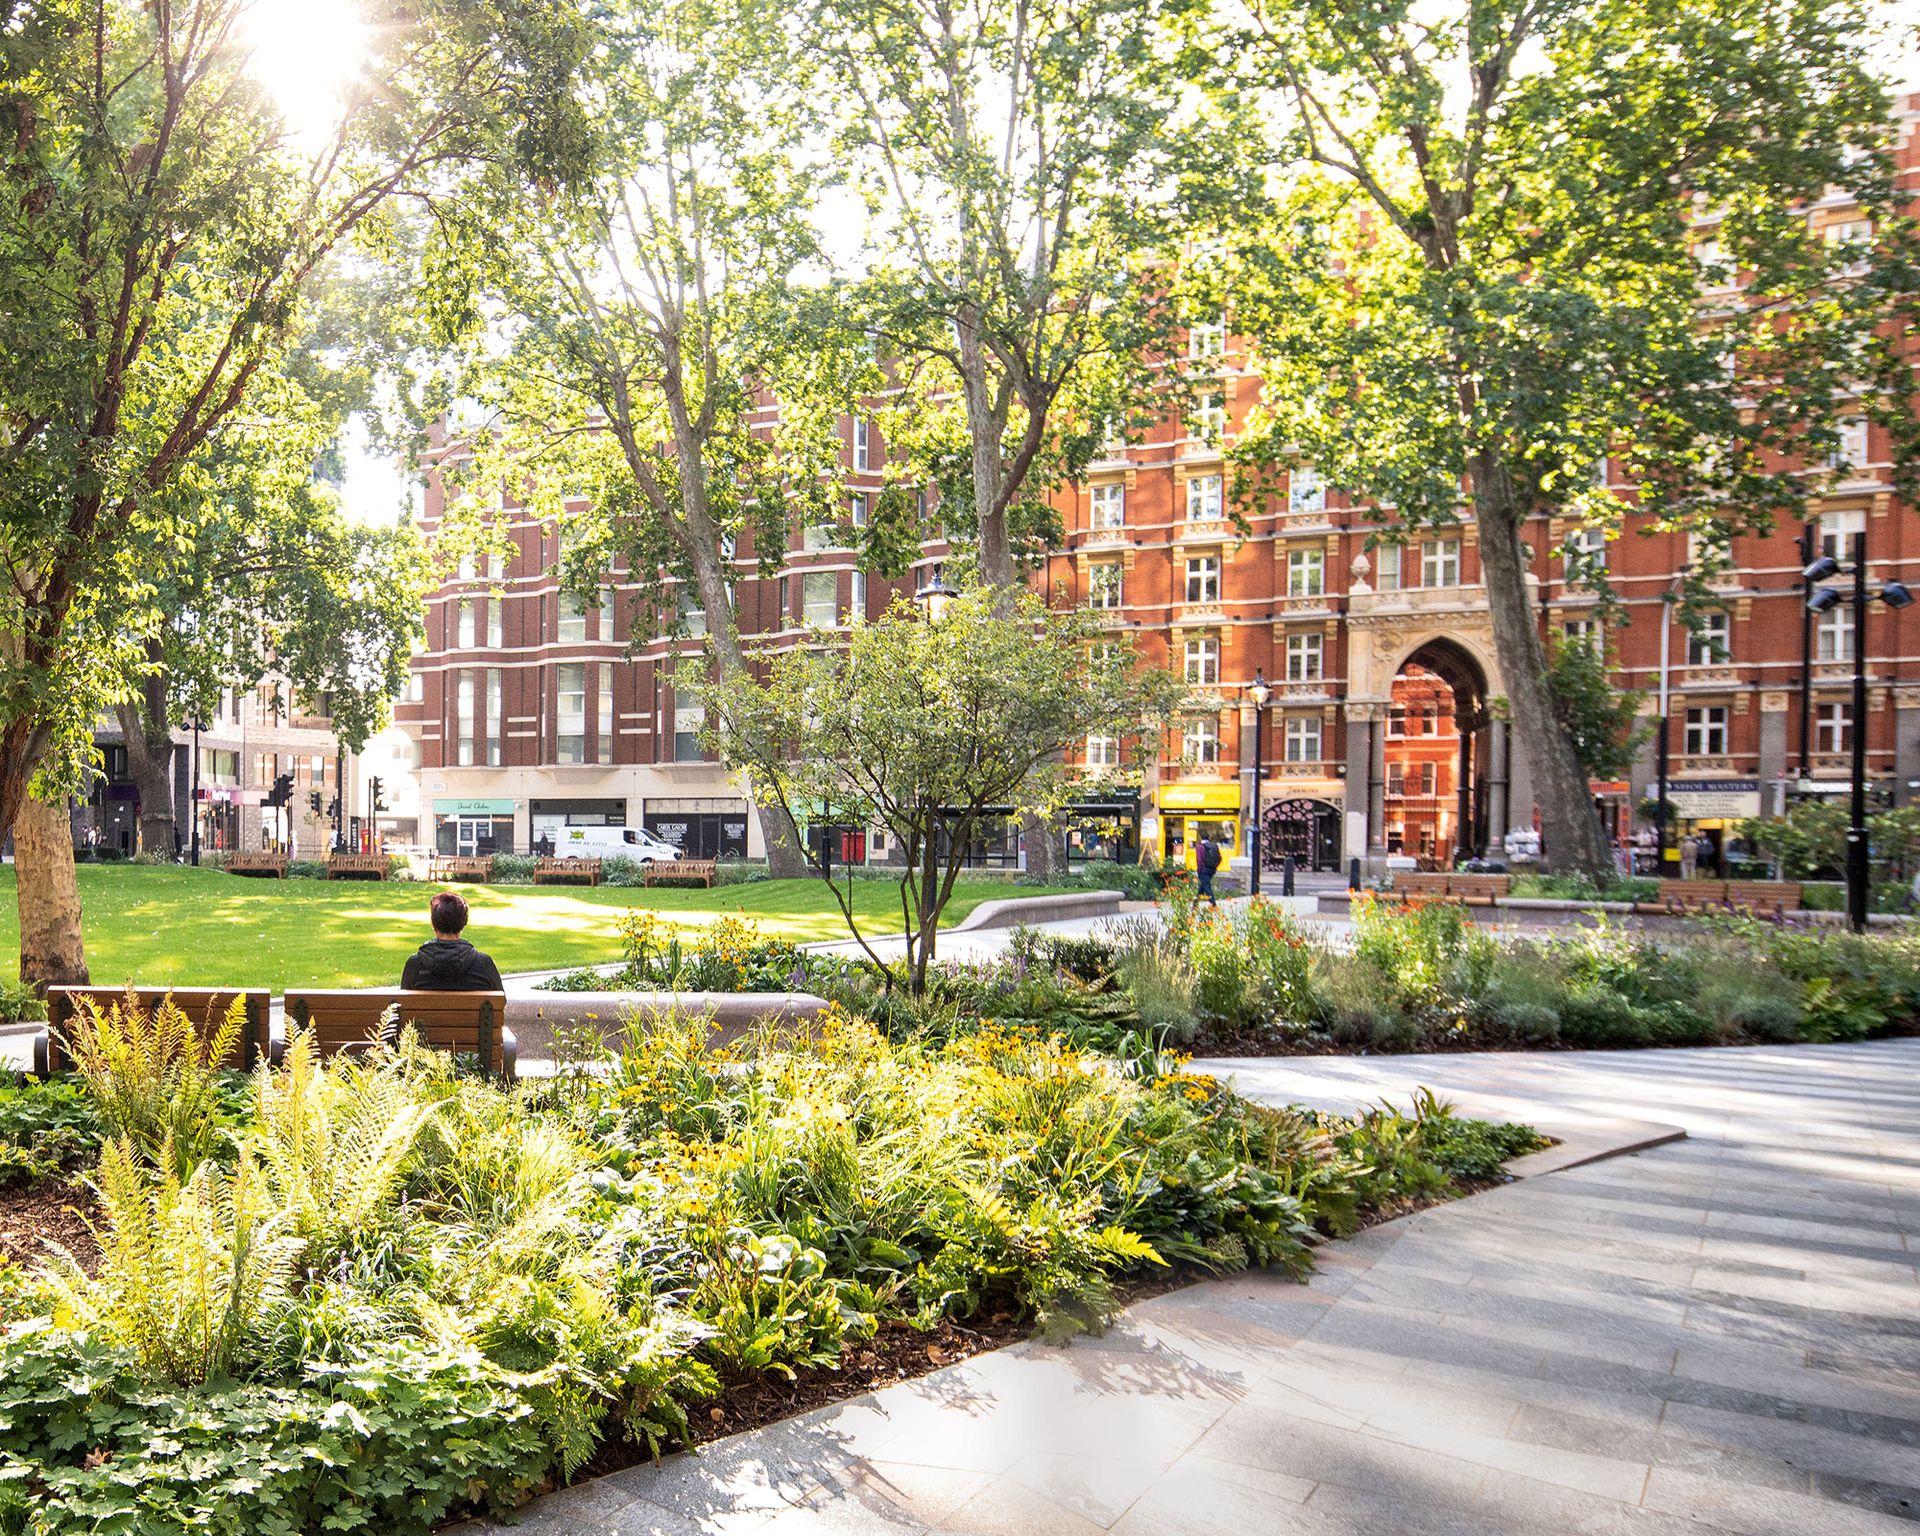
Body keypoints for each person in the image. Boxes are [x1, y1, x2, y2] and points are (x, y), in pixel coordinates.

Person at [402, 889, 504, 991]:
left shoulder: (414, 965)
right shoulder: (483, 964)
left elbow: (402, 1003)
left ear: (433, 924)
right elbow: (499, 1003)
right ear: (463, 923)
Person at [1196, 835, 1221, 907]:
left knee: (1206, 886)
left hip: (1203, 870)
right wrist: (1215, 866)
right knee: (1203, 885)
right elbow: (1220, 858)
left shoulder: (1200, 847)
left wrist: (1199, 869)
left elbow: (1199, 860)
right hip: (1212, 869)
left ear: (1201, 838)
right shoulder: (1214, 846)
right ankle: (1195, 902)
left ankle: (1213, 903)